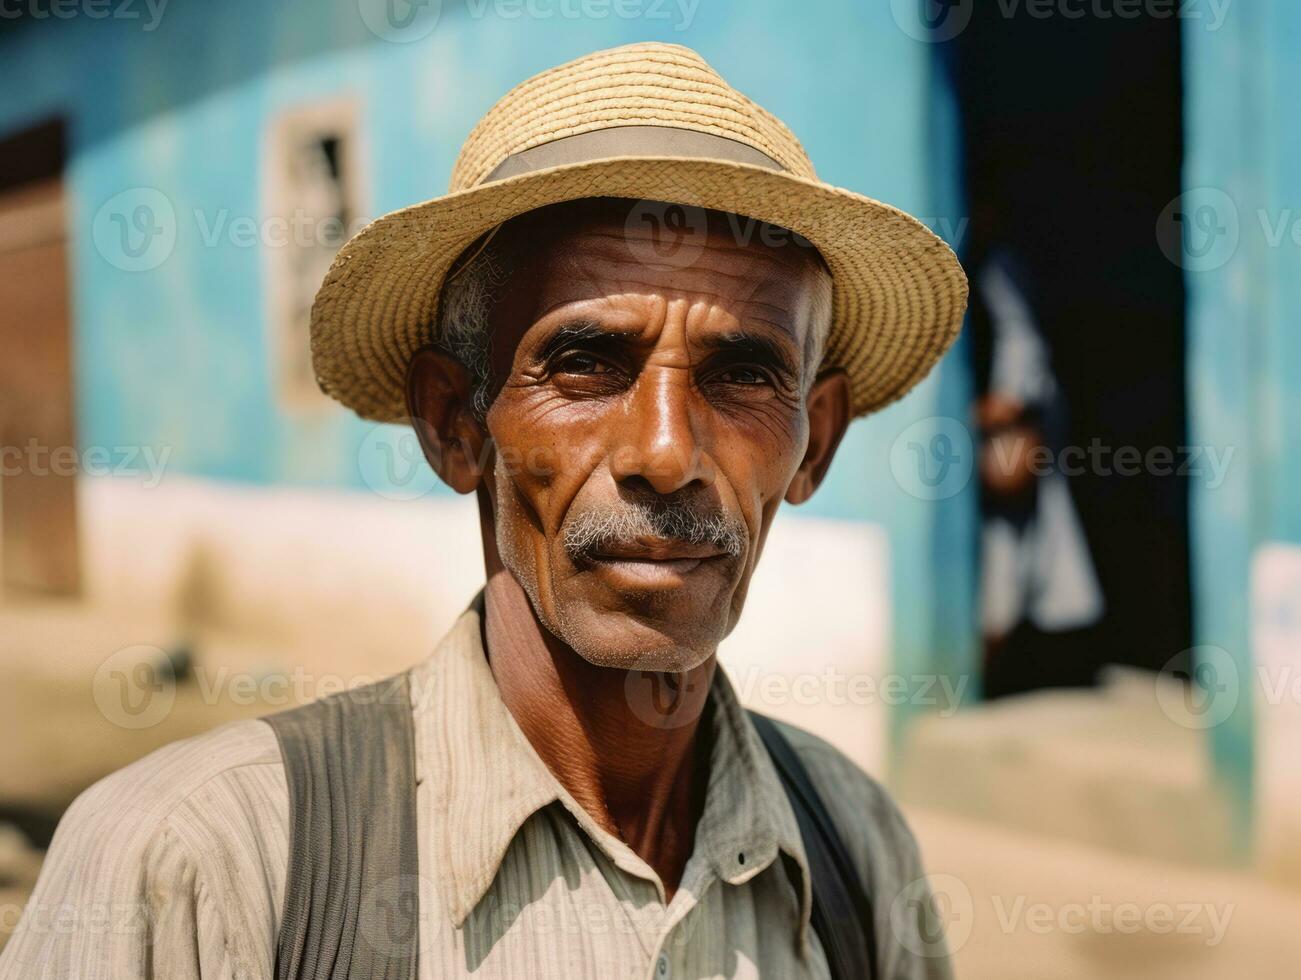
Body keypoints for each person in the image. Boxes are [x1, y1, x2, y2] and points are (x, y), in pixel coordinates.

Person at [0, 42, 967, 979]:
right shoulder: (203, 867)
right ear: (454, 424)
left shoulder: (854, 852)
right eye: (587, 365)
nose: (668, 454)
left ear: (818, 441)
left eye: (745, 375)